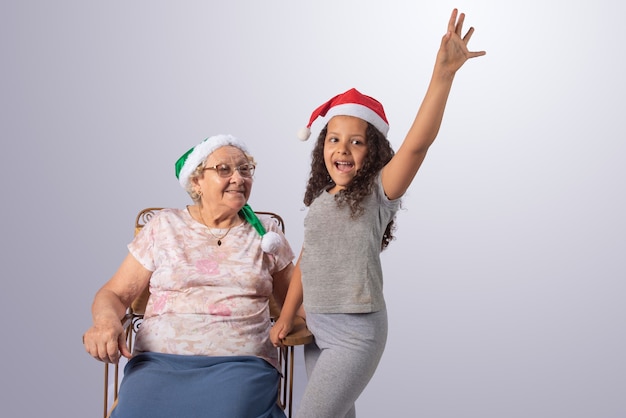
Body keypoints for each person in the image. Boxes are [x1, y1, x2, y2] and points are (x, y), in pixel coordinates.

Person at [269, 9, 486, 418]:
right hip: (317, 329)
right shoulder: (319, 202)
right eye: (334, 139)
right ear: (322, 149)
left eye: (356, 141)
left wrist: (443, 76)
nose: (342, 149)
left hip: (356, 333)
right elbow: (305, 260)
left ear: (374, 153)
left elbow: (418, 145)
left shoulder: (377, 191)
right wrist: (285, 315)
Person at [83, 134, 295, 418]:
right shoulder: (164, 226)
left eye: (245, 169)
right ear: (197, 181)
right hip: (158, 364)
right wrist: (106, 322)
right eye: (224, 170)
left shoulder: (266, 233)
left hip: (242, 365)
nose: (238, 178)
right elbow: (114, 294)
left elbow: (298, 300)